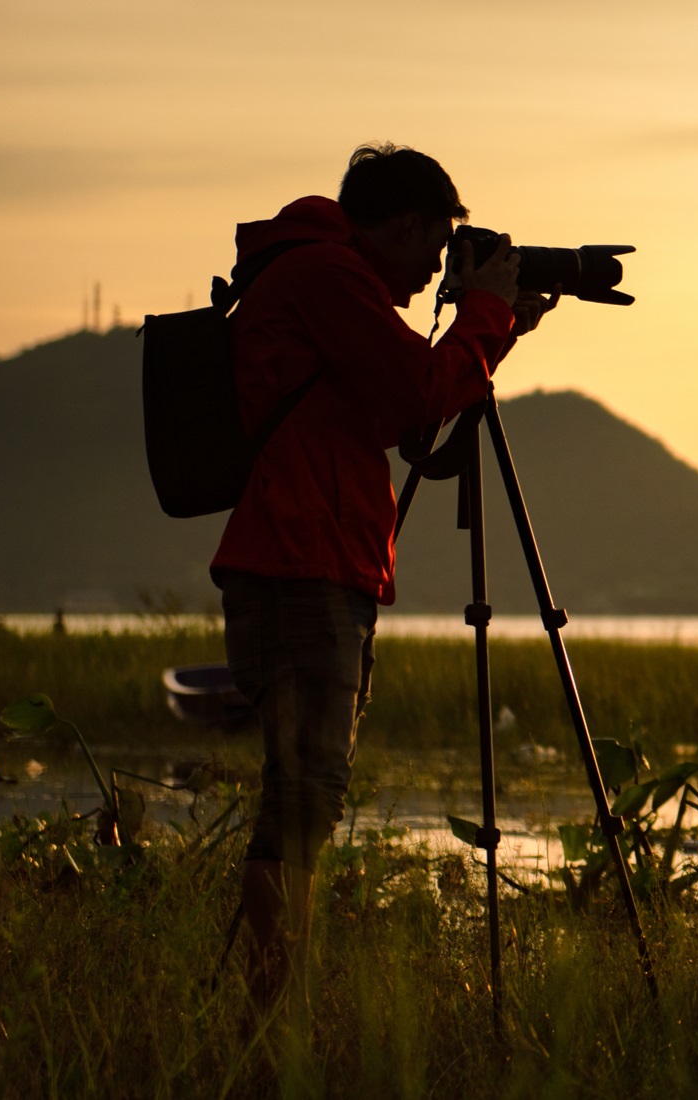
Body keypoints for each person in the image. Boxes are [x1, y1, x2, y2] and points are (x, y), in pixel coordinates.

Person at [212, 144, 553, 1010]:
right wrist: (481, 314)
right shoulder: (328, 274)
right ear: (404, 225)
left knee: (301, 799)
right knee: (302, 802)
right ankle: (269, 1019)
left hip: (310, 558)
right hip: (302, 563)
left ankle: (267, 1009)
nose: (430, 274)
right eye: (436, 251)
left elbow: (416, 410)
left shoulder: (319, 277)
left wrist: (494, 328)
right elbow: (415, 393)